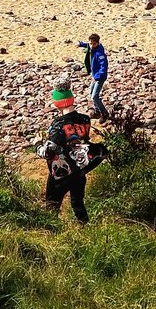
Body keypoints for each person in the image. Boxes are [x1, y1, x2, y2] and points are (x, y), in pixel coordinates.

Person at [37, 76, 107, 224]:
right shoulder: (85, 119)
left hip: (59, 173)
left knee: (52, 206)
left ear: (57, 103)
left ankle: (50, 233)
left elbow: (48, 152)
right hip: (79, 170)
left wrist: (37, 145)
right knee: (78, 204)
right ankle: (85, 229)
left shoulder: (57, 125)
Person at [77, 33, 110, 123]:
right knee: (91, 94)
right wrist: (80, 44)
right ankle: (97, 111)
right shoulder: (92, 47)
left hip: (99, 78)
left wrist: (97, 77)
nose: (91, 45)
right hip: (94, 76)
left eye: (93, 44)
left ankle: (104, 113)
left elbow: (103, 68)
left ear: (97, 43)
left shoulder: (100, 54)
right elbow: (87, 44)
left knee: (95, 96)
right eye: (90, 43)